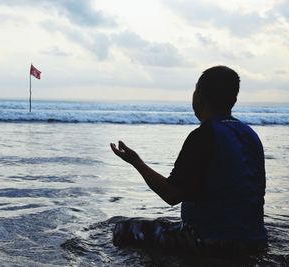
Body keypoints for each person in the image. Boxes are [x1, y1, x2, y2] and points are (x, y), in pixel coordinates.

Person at [110, 66, 267, 256]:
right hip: (255, 241)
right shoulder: (251, 135)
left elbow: (171, 195)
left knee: (122, 230)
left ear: (198, 96)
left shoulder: (204, 135)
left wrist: (137, 162)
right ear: (234, 99)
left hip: (210, 242)